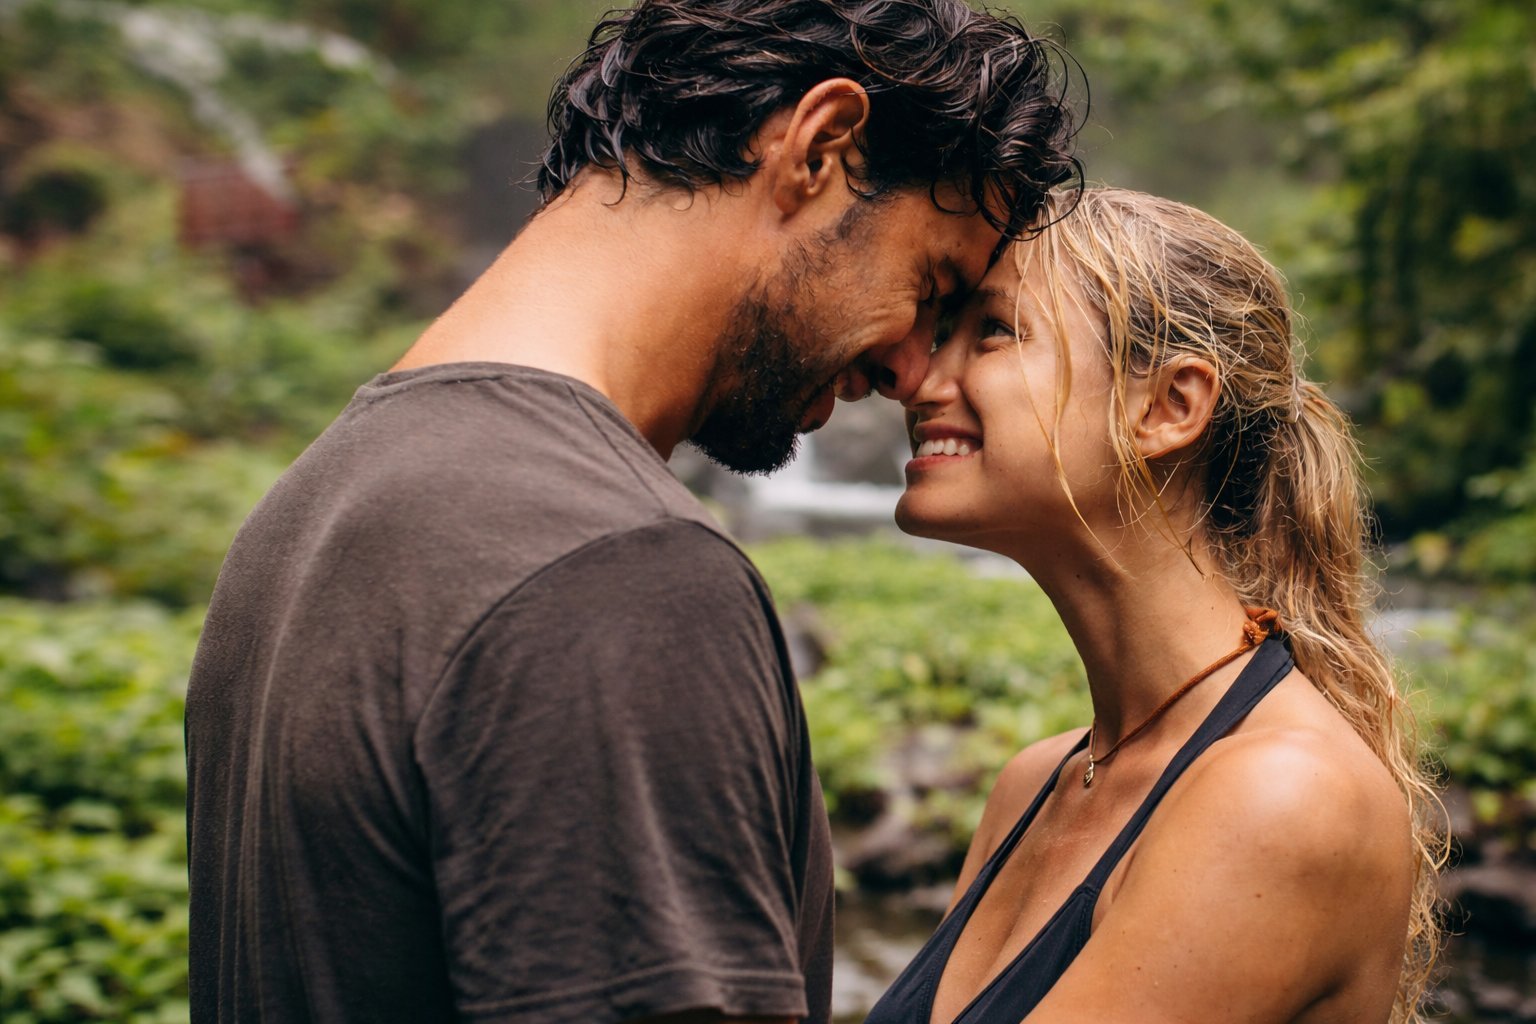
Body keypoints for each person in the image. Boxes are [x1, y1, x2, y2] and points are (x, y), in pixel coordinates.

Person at [183, 2, 1080, 1022]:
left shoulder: (314, 501)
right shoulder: (616, 572)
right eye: (930, 284)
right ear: (819, 147)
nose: (911, 368)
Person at [868, 188, 1443, 1024]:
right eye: (939, 332)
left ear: (1167, 407)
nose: (914, 377)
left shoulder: (1283, 795)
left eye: (991, 330)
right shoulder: (1037, 781)